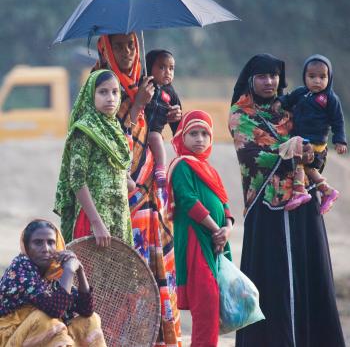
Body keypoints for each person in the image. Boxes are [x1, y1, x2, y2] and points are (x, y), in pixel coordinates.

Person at [229, 54, 345, 347]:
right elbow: (252, 156)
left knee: (311, 277)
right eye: (262, 76)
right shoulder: (241, 115)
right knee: (273, 283)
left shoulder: (292, 110)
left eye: (274, 76)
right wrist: (291, 149)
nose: (269, 82)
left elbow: (317, 152)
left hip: (302, 204)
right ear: (251, 80)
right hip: (266, 206)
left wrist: (312, 154)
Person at [93, 33, 182, 346]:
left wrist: (167, 113)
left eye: (131, 44)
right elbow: (107, 148)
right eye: (118, 46)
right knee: (128, 273)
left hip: (151, 194)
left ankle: (160, 337)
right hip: (120, 198)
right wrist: (137, 107)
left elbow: (163, 128)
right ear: (106, 49)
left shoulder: (147, 83)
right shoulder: (99, 86)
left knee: (157, 269)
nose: (127, 51)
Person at [167, 110, 234, 347]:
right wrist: (216, 230)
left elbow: (225, 203)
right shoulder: (182, 165)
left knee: (212, 304)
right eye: (193, 133)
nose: (199, 139)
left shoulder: (209, 169)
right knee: (205, 302)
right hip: (197, 239)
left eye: (205, 134)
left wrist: (227, 229)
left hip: (216, 242)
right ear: (181, 137)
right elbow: (187, 200)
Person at [54, 69, 133, 247]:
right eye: (103, 92)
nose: (110, 98)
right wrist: (97, 223)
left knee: (117, 273)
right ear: (91, 94)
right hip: (94, 219)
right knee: (91, 273)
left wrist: (125, 181)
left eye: (115, 92)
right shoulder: (84, 130)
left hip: (119, 216)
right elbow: (77, 180)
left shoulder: (115, 129)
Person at [0, 219, 107, 347]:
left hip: (39, 336)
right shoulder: (20, 267)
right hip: (11, 340)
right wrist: (68, 270)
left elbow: (86, 310)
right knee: (44, 319)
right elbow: (54, 309)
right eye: (38, 243)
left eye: (51, 243)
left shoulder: (54, 273)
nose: (46, 249)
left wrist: (79, 270)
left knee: (91, 319)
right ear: (27, 247)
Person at [274, 54, 347, 213]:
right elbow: (288, 99)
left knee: (297, 158)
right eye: (312, 76)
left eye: (322, 77)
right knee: (309, 168)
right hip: (302, 138)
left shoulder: (329, 99)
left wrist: (340, 140)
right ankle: (327, 190)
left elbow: (338, 121)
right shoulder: (301, 92)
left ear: (329, 78)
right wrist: (279, 102)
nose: (317, 81)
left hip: (316, 141)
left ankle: (299, 191)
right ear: (304, 77)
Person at [144, 49, 181, 189]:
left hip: (154, 131)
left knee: (156, 138)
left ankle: (160, 170)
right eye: (162, 67)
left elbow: (178, 124)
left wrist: (177, 116)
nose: (168, 72)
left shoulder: (171, 94)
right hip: (138, 129)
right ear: (149, 67)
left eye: (171, 68)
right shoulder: (144, 86)